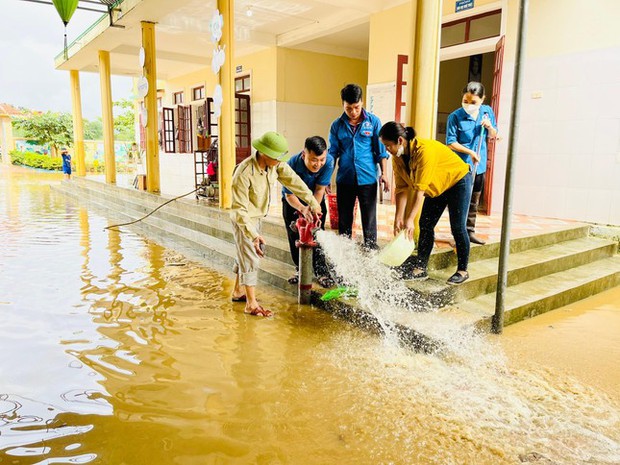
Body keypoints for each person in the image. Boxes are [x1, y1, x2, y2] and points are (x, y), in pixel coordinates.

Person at [230, 131, 322, 317]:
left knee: (245, 254)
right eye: (277, 157)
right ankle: (251, 303)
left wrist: (313, 203)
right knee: (250, 257)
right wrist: (253, 235)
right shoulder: (244, 173)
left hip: (257, 216)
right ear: (265, 153)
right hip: (244, 220)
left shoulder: (275, 165)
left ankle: (238, 291)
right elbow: (239, 209)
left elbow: (294, 181)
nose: (281, 161)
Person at [379, 122, 472, 285]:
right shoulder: (397, 158)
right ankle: (420, 268)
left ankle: (463, 270)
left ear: (400, 140)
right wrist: (398, 217)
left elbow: (419, 190)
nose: (387, 150)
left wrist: (409, 219)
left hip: (458, 181)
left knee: (457, 226)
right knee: (426, 224)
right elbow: (401, 189)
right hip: (436, 186)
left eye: (388, 146)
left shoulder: (424, 150)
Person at [328, 83, 389, 249]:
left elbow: (381, 151)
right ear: (343, 105)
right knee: (344, 217)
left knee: (369, 217)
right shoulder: (336, 125)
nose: (353, 112)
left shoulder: (374, 122)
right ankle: (345, 248)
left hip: (367, 178)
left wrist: (384, 173)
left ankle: (371, 247)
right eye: (349, 108)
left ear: (362, 102)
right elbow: (332, 153)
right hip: (345, 179)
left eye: (356, 107)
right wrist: (327, 177)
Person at [446, 81, 498, 245]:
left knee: (474, 201)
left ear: (483, 99)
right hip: (461, 167)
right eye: (465, 101)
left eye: (473, 102)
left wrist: (489, 127)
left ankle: (470, 232)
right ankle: (458, 236)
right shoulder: (455, 117)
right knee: (461, 203)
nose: (468, 105)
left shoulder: (486, 112)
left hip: (479, 166)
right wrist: (470, 152)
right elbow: (450, 142)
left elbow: (495, 134)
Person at [282, 136, 335, 288]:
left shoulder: (329, 162)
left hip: (315, 199)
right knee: (294, 235)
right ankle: (300, 270)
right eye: (314, 160)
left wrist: (312, 209)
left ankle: (321, 272)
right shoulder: (291, 164)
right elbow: (289, 195)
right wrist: (302, 209)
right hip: (293, 201)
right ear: (304, 154)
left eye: (321, 159)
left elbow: (319, 189)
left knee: (318, 234)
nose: (318, 164)